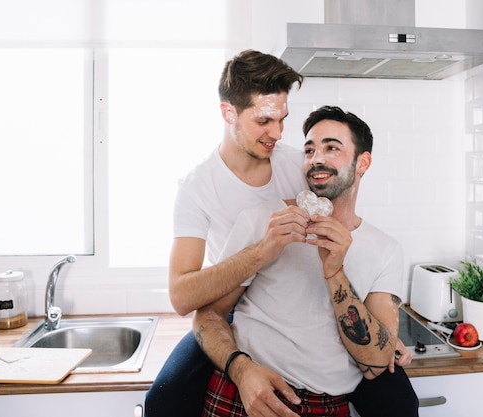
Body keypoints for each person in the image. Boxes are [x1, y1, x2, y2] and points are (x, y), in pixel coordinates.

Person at [145, 50, 415, 416]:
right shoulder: (199, 189)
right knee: (163, 400)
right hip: (233, 308)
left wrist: (379, 330)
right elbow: (182, 297)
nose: (277, 134)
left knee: (400, 401)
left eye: (283, 119)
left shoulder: (299, 161)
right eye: (264, 121)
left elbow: (342, 197)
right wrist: (261, 251)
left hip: (313, 322)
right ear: (228, 113)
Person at [193, 105, 418, 417]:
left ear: (362, 162)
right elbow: (207, 315)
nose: (317, 159)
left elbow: (377, 362)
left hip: (324, 405)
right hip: (245, 393)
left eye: (332, 148)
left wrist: (335, 270)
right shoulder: (263, 221)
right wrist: (241, 371)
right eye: (309, 149)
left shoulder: (386, 250)